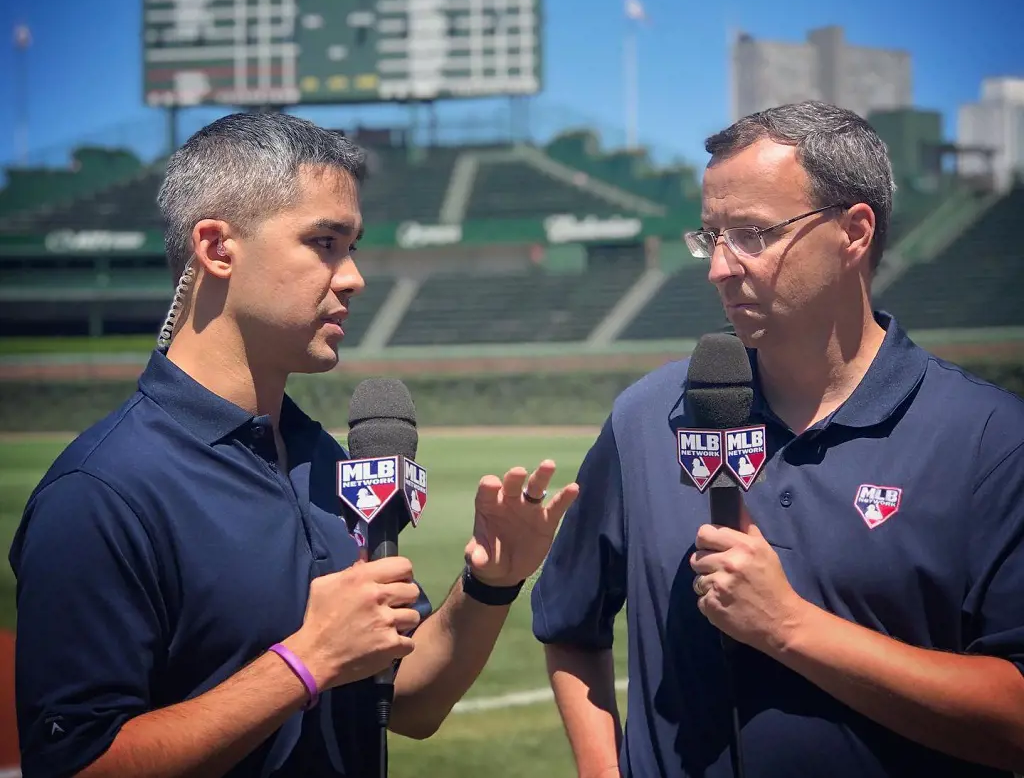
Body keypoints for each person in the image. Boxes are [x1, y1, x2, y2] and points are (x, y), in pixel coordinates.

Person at [9, 112, 579, 778]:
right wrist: (305, 660)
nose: (353, 277)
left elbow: (411, 702)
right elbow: (76, 763)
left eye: (353, 246)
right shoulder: (101, 492)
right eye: (324, 242)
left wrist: (490, 581)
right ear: (218, 247)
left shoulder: (327, 461)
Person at [531, 101, 1024, 777]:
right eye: (711, 236)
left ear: (854, 231)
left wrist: (789, 624)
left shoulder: (991, 440)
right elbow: (568, 625)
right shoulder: (646, 418)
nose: (719, 267)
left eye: (753, 233)